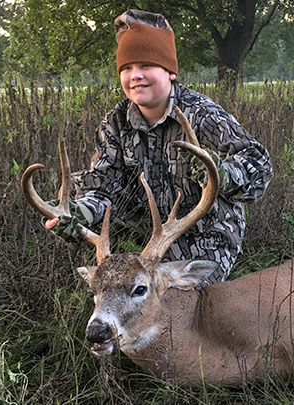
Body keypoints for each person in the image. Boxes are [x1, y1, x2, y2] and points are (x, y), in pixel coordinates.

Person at [44, 9, 273, 289]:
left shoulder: (202, 115)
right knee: (117, 298)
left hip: (204, 235)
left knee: (178, 305)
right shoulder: (115, 123)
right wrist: (81, 213)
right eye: (126, 68)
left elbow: (258, 169)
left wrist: (221, 171)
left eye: (146, 65)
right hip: (141, 237)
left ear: (170, 71)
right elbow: (103, 186)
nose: (135, 76)